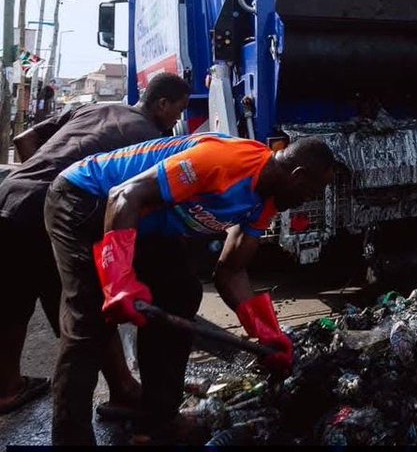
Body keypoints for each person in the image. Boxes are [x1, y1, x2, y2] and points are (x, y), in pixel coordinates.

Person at [45, 133, 337, 444]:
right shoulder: (225, 161)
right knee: (89, 320)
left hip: (144, 220)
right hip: (86, 198)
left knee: (181, 293)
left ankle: (159, 418)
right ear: (298, 175)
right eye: (312, 190)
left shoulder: (264, 203)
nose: (309, 199)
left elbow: (232, 270)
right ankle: (70, 438)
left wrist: (267, 332)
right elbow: (124, 195)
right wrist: (118, 280)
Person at [0, 73, 191, 417]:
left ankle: (7, 387)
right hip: (51, 213)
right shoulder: (147, 139)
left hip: (9, 196)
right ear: (162, 104)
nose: (177, 119)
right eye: (178, 111)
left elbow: (24, 138)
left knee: (13, 300)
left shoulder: (94, 109)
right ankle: (122, 390)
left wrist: (37, 182)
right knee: (86, 311)